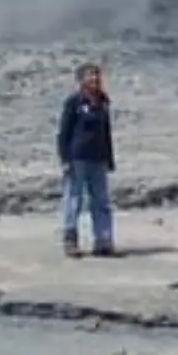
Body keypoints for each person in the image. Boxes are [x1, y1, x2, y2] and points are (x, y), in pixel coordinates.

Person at [56, 61, 117, 258]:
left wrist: (110, 158)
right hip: (77, 158)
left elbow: (106, 132)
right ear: (81, 80)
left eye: (97, 75)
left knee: (101, 200)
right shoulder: (74, 102)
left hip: (98, 159)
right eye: (90, 75)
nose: (95, 79)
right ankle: (70, 240)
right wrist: (64, 158)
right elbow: (64, 132)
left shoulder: (103, 102)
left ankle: (103, 240)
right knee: (74, 198)